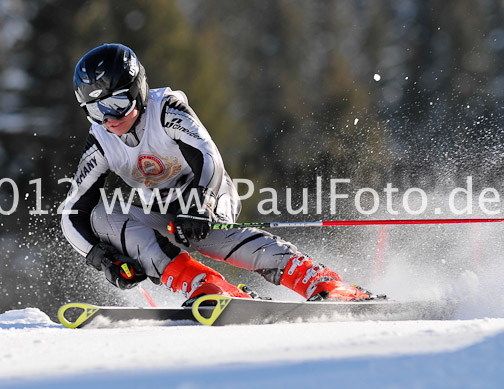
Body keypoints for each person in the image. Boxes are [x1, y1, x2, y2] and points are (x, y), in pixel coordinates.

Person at [61, 43, 374, 304]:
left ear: (138, 90)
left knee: (209, 237)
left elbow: (207, 155)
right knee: (101, 217)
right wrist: (102, 258)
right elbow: (72, 214)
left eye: (116, 104)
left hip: (207, 191)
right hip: (161, 209)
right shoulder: (101, 140)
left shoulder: (165, 108)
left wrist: (201, 202)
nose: (108, 119)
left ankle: (322, 282)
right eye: (95, 110)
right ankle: (205, 286)